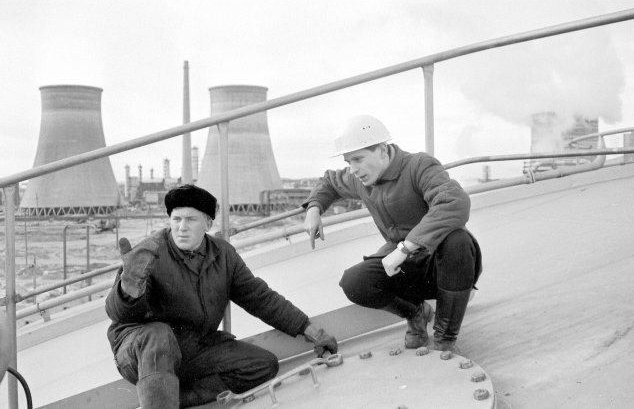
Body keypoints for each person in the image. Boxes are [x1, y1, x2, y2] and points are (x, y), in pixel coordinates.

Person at [106, 184, 338, 409]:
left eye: (191, 220)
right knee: (158, 335)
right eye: (176, 219)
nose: (182, 227)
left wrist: (308, 329)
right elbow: (118, 315)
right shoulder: (148, 252)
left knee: (262, 365)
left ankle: (174, 399)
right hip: (141, 351)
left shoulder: (223, 254)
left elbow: (259, 298)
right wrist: (129, 289)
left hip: (191, 346)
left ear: (207, 223)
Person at [302, 115, 482, 353]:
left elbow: (454, 202)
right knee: (354, 282)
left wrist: (405, 248)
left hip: (443, 266)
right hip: (407, 265)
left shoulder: (419, 165)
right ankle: (417, 314)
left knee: (458, 241)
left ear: (383, 150)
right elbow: (330, 181)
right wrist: (314, 208)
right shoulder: (360, 179)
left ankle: (445, 339)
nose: (353, 169)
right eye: (349, 162)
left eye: (358, 159)